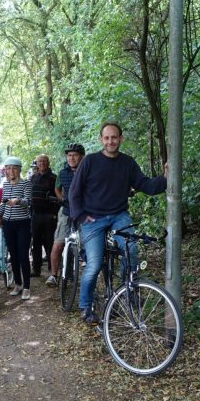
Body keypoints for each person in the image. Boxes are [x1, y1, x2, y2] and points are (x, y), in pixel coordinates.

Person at [69, 122, 167, 325]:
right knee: (94, 264)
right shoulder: (89, 161)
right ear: (101, 140)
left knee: (131, 250)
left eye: (114, 137)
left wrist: (165, 178)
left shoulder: (128, 163)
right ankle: (86, 306)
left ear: (121, 139)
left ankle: (127, 290)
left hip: (118, 215)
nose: (110, 141)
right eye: (106, 138)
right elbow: (74, 192)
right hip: (92, 219)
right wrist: (80, 215)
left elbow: (145, 185)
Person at [0, 156, 32, 299]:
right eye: (8, 168)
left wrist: (18, 201)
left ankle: (27, 286)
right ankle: (18, 284)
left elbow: (28, 202)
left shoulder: (26, 184)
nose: (11, 171)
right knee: (13, 256)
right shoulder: (6, 185)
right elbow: (3, 205)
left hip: (23, 223)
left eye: (14, 168)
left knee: (23, 255)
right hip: (8, 224)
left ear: (19, 169)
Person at [46, 143, 85, 287]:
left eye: (75, 155)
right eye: (69, 155)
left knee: (86, 244)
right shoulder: (63, 173)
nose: (71, 158)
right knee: (58, 244)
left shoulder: (87, 171)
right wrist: (61, 197)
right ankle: (54, 275)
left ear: (81, 157)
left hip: (83, 212)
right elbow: (57, 187)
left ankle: (86, 271)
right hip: (66, 211)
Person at [29, 154, 59, 278]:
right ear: (37, 163)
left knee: (49, 243)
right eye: (39, 161)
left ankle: (52, 270)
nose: (42, 163)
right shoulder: (33, 178)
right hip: (35, 215)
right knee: (35, 243)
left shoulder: (54, 178)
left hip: (49, 215)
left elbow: (58, 197)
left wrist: (54, 214)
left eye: (44, 161)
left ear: (48, 163)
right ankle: (36, 269)